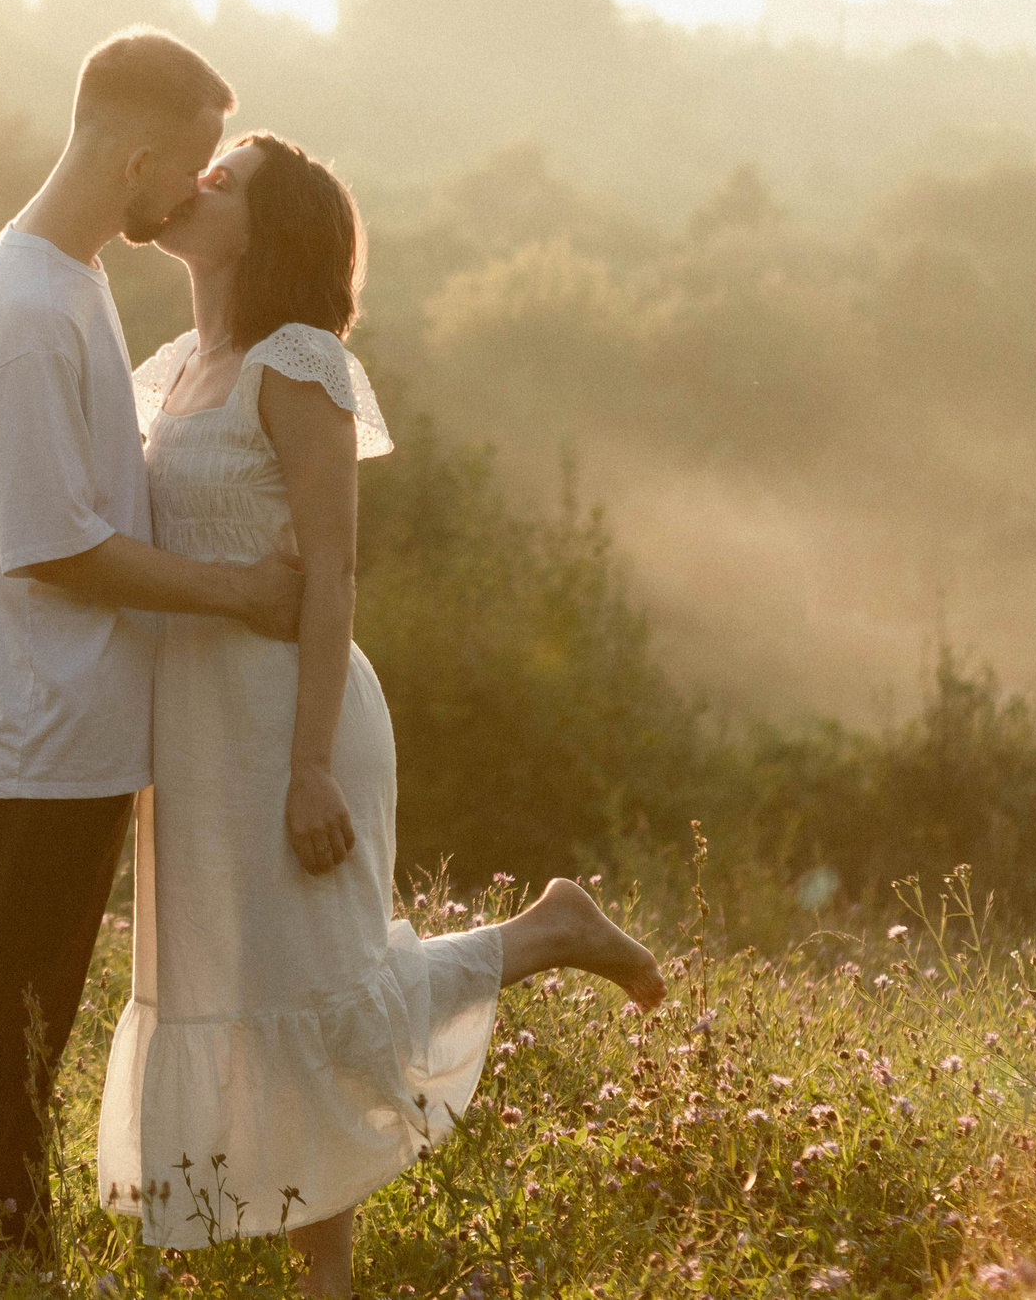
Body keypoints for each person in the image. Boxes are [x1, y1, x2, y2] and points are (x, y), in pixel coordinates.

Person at [95, 132, 666, 1297]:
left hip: (290, 723)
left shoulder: (296, 363)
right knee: (228, 988)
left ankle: (550, 935)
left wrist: (309, 767)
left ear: (273, 229)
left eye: (225, 179)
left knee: (328, 995)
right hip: (197, 732)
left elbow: (335, 572)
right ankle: (280, 1271)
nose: (199, 185)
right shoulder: (172, 369)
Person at [0, 29, 305, 1260]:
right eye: (184, 167)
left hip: (78, 718)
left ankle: (4, 1238)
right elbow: (54, 546)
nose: (189, 194)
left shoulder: (66, 282)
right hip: (43, 718)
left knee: (23, 1014)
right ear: (134, 157)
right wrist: (236, 592)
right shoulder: (24, 308)